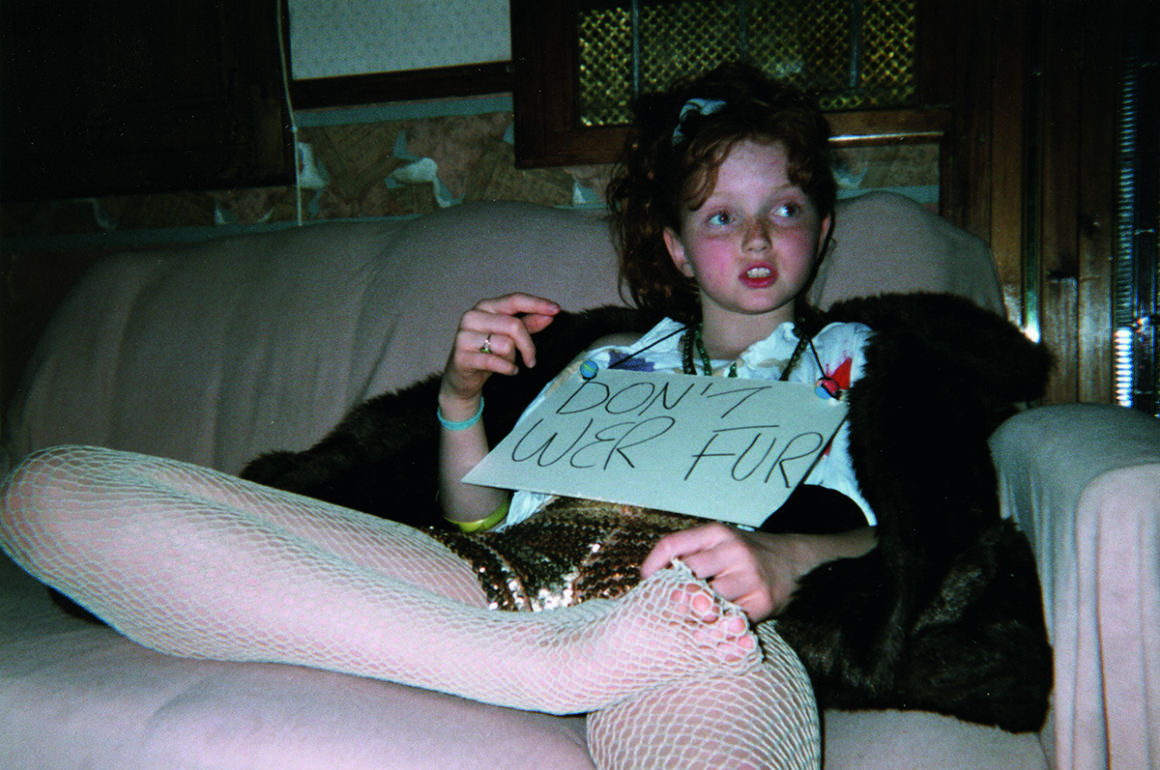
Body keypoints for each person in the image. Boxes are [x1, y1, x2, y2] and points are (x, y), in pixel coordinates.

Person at [0, 63, 878, 769]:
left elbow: (911, 540)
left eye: (785, 209)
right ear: (677, 248)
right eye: (721, 215)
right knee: (48, 494)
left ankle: (547, 658)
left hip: (684, 616)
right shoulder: (606, 358)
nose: (756, 237)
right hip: (487, 586)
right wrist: (461, 403)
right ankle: (535, 665)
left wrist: (787, 557)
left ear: (825, 228)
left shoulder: (869, 362)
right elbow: (481, 521)